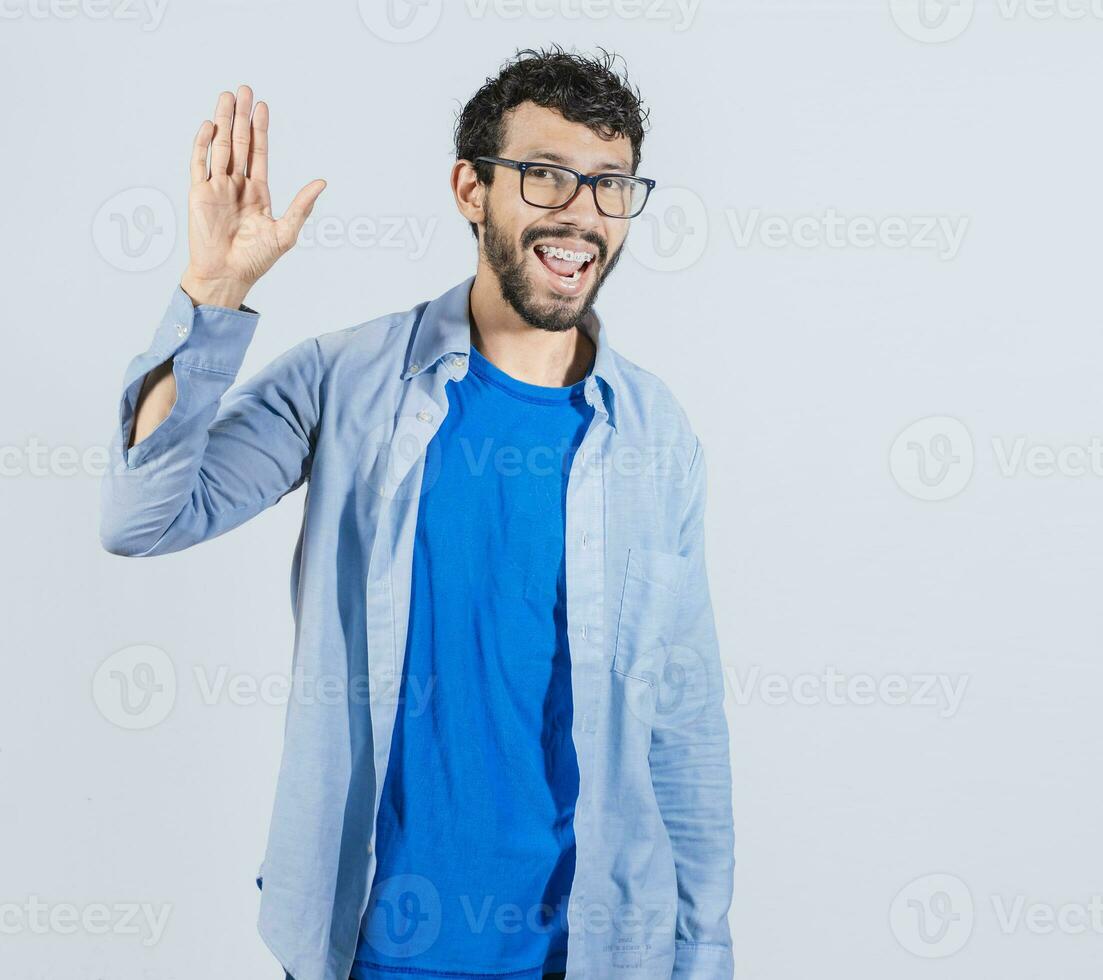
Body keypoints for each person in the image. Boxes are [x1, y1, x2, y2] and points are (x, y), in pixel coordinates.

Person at [99, 47, 734, 980]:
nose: (581, 215)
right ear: (471, 189)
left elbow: (684, 722)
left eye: (610, 185)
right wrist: (214, 295)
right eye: (547, 176)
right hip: (371, 949)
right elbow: (145, 517)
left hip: (595, 950)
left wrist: (702, 952)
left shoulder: (655, 432)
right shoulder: (344, 379)